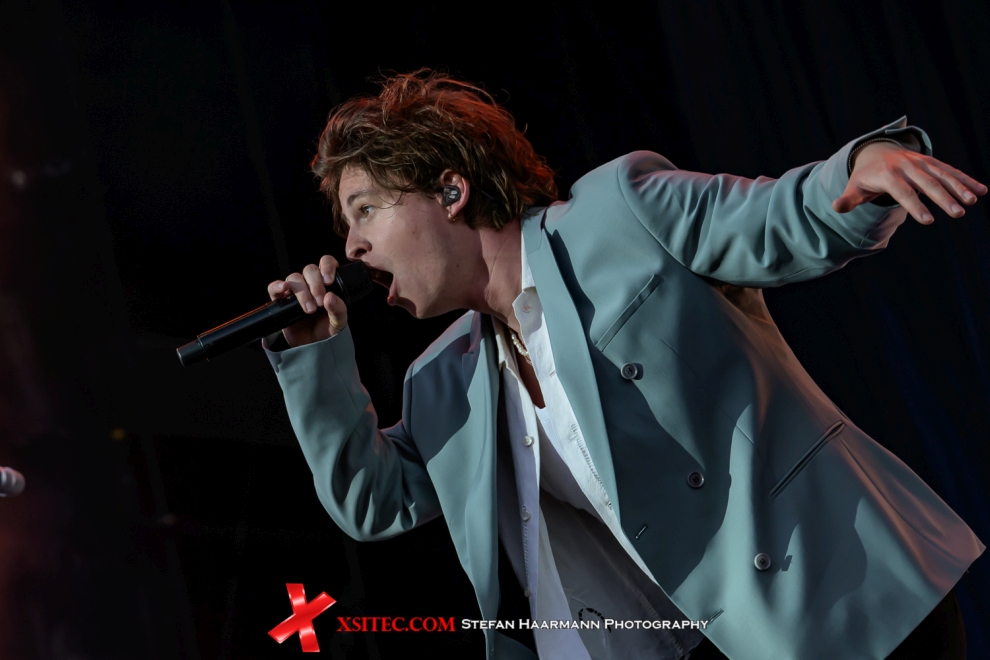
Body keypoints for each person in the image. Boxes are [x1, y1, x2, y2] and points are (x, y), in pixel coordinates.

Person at [262, 70, 986, 660]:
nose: (351, 247)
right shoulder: (443, 381)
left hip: (836, 598)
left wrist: (859, 168)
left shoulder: (618, 215)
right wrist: (313, 353)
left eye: (366, 210)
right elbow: (372, 501)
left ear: (451, 192)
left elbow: (776, 219)